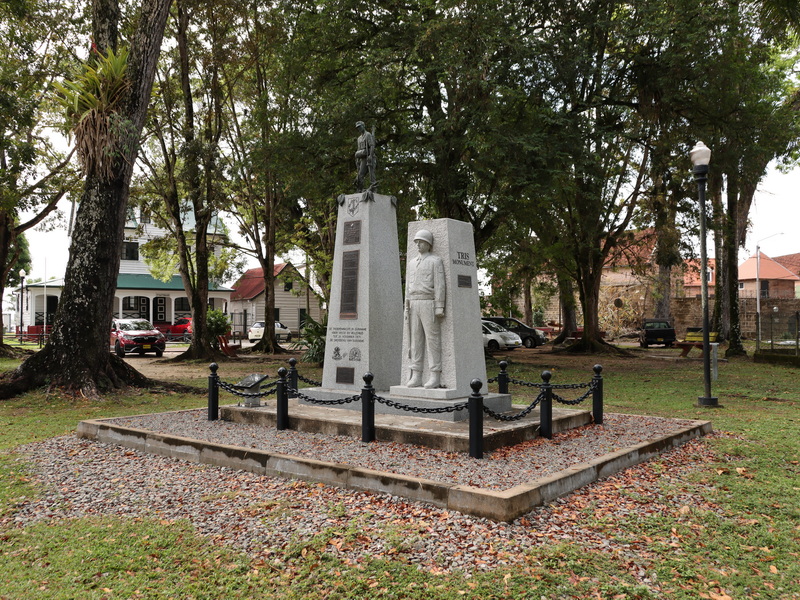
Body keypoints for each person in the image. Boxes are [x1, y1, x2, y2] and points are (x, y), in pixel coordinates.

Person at [405, 229, 446, 388]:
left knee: (432, 340)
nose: (418, 245)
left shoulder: (435, 261)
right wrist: (407, 304)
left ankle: (435, 375)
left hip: (428, 302)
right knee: (415, 341)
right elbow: (409, 285)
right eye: (416, 242)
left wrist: (439, 306)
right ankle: (416, 374)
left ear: (428, 244)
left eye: (421, 242)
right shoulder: (412, 263)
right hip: (413, 303)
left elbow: (440, 285)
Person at [354, 121, 376, 191]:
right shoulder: (359, 138)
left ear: (363, 126)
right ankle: (360, 189)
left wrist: (370, 156)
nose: (359, 129)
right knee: (360, 175)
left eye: (360, 127)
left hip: (369, 156)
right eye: (358, 128)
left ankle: (374, 188)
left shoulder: (368, 134)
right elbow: (358, 149)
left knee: (371, 174)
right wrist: (357, 161)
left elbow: (372, 146)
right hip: (362, 158)